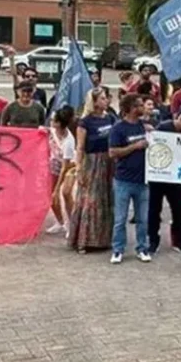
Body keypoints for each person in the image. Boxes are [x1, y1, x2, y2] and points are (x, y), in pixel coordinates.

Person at [67, 88, 117, 253]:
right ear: (94, 102)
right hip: (92, 161)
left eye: (106, 98)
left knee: (106, 199)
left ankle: (103, 239)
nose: (106, 101)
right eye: (102, 99)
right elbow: (80, 147)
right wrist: (79, 167)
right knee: (90, 201)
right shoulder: (85, 122)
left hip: (108, 161)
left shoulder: (110, 118)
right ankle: (83, 239)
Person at [148, 110, 181, 254]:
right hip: (158, 176)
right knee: (154, 210)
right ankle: (153, 239)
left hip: (176, 178)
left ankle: (180, 240)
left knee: (178, 210)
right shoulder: (163, 128)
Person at [108, 93, 151, 264]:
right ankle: (118, 249)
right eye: (140, 105)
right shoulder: (118, 129)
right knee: (120, 219)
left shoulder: (145, 127)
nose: (143, 108)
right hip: (123, 180)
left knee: (143, 219)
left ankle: (142, 248)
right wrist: (135, 146)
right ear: (131, 109)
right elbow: (112, 152)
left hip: (143, 181)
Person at [46, 107, 77, 236]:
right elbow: (46, 130)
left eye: (53, 120)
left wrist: (57, 187)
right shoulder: (52, 131)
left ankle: (71, 224)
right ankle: (60, 223)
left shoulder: (68, 142)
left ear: (59, 123)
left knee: (66, 193)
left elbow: (65, 166)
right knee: (50, 196)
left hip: (70, 165)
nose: (51, 121)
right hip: (55, 163)